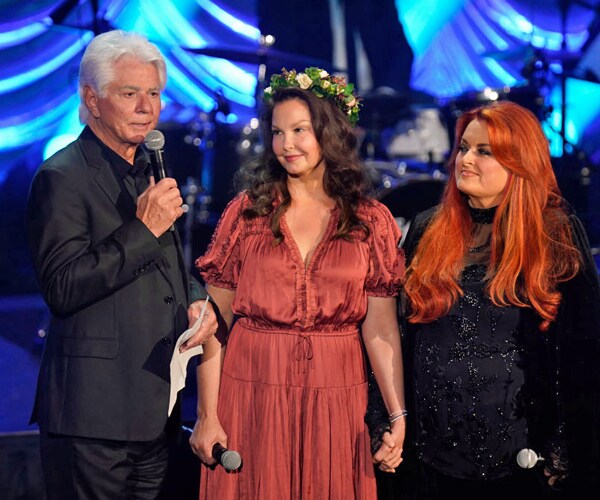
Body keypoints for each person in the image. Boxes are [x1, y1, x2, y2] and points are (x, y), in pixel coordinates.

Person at [189, 67, 406, 499]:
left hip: (336, 395)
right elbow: (212, 326)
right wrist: (207, 414)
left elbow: (381, 328)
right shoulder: (247, 213)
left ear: (329, 132)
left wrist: (397, 414)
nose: (286, 144)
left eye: (300, 130)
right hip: (252, 391)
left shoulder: (369, 221)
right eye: (278, 132)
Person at [368, 100, 600, 499]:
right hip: (430, 459)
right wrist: (384, 420)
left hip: (522, 463)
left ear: (519, 162)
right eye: (463, 148)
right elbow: (399, 335)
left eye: (484, 152)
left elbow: (586, 350)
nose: (466, 160)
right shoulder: (428, 226)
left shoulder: (555, 232)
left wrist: (565, 448)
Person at [25, 30, 218, 499]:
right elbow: (64, 287)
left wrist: (197, 300)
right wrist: (142, 229)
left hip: (153, 411)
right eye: (129, 93)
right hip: (92, 419)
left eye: (153, 94)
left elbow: (169, 265)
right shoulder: (61, 178)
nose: (145, 107)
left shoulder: (151, 167)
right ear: (92, 99)